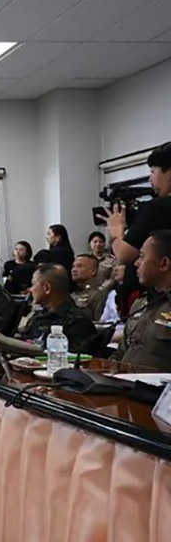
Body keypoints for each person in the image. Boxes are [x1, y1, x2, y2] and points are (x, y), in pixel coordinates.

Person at [114, 230, 171, 371]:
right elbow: (120, 355)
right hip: (122, 381)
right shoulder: (141, 303)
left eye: (142, 256)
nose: (136, 263)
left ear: (164, 264)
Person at [107, 142, 171, 266]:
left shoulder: (157, 208)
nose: (150, 179)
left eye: (153, 172)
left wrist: (116, 230)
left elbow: (124, 255)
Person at [19, 263, 97, 348]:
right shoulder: (39, 315)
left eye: (33, 284)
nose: (31, 289)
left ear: (47, 288)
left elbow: (76, 355)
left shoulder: (78, 323)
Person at [71, 254, 115, 321]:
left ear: (93, 271)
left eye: (79, 266)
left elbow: (100, 321)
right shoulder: (73, 294)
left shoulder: (99, 294)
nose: (74, 270)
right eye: (73, 266)